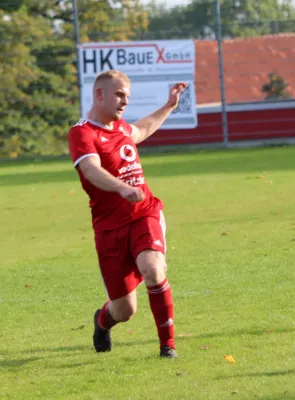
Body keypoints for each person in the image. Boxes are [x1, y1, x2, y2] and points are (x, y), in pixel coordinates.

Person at [68, 69, 187, 359]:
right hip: (109, 229)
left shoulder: (120, 128)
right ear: (100, 94)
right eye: (119, 95)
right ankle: (102, 320)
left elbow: (143, 129)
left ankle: (167, 346)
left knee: (153, 268)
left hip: (144, 212)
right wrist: (121, 188)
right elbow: (90, 169)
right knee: (124, 309)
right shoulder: (82, 133)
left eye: (127, 97)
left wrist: (169, 106)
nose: (125, 102)